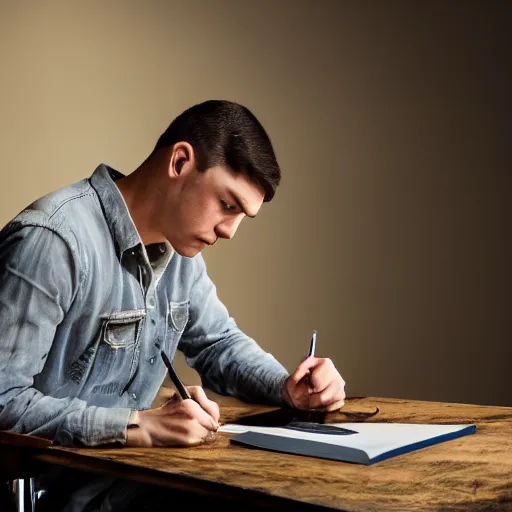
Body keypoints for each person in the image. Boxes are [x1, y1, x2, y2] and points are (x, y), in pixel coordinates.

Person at [0, 100, 345, 510]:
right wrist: (138, 426)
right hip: (55, 496)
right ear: (180, 162)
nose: (230, 231)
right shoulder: (53, 241)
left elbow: (219, 344)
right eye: (228, 205)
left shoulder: (181, 256)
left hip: (136, 484)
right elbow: (3, 398)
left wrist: (289, 388)